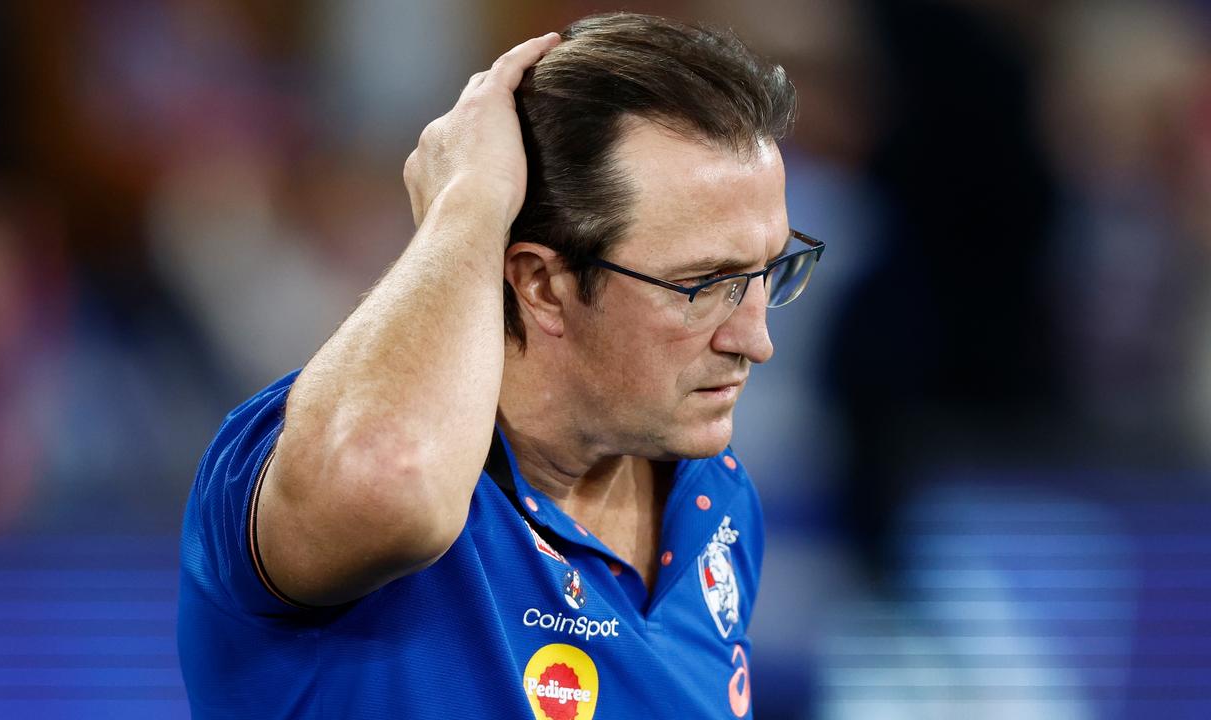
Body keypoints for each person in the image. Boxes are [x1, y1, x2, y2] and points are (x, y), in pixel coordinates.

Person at [177, 12, 823, 719]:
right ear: (543, 285)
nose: (756, 340)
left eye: (770, 271)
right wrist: (467, 204)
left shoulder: (714, 499)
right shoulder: (310, 457)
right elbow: (388, 481)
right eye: (706, 286)